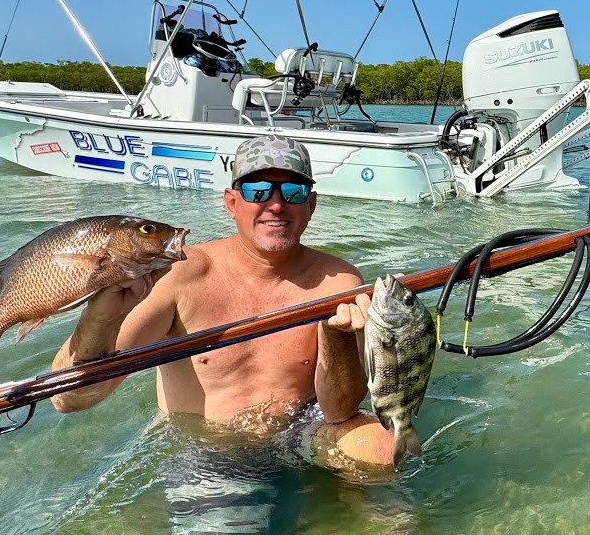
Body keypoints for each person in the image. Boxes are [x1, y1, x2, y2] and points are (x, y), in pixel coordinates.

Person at [51, 134, 394, 468]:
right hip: (204, 452)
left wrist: (337, 337)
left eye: (293, 191)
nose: (276, 205)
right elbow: (68, 398)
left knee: (381, 448)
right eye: (257, 191)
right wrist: (99, 318)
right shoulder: (180, 276)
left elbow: (339, 411)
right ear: (231, 202)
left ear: (311, 205)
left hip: (300, 430)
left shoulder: (339, 282)